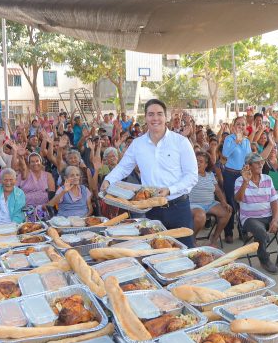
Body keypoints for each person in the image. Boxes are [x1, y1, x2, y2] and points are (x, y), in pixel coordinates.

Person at [101, 99, 199, 247]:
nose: (155, 118)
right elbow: (123, 167)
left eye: (159, 114)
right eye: (151, 114)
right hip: (152, 209)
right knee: (156, 252)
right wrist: (108, 180)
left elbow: (192, 175)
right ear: (145, 118)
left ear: (166, 117)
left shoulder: (181, 142)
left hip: (178, 207)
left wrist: (170, 190)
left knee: (185, 252)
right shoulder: (137, 144)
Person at [235, 153, 278, 274]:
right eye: (257, 163)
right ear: (248, 166)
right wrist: (245, 182)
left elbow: (274, 201)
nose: (261, 164)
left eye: (262, 162)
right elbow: (238, 199)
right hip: (250, 218)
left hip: (268, 215)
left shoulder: (267, 179)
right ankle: (264, 260)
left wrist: (275, 220)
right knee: (261, 233)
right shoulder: (239, 180)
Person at [189, 151, 232, 246]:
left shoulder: (210, 175)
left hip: (210, 203)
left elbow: (217, 191)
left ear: (206, 164)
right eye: (196, 160)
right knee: (201, 216)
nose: (198, 163)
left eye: (201, 161)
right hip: (194, 204)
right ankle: (192, 239)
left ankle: (214, 239)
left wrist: (224, 202)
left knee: (227, 211)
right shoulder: (190, 175)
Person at [221, 116, 251, 244]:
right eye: (238, 124)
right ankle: (228, 232)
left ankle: (242, 230)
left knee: (242, 202)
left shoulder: (247, 141)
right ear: (233, 127)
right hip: (230, 174)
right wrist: (236, 142)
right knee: (231, 203)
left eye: (243, 124)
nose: (241, 126)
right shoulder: (229, 139)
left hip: (242, 175)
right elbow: (225, 154)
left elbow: (248, 157)